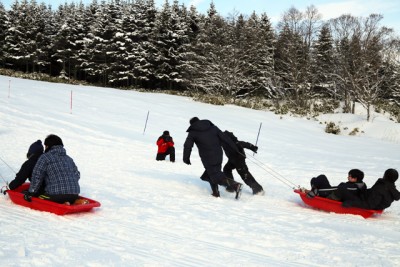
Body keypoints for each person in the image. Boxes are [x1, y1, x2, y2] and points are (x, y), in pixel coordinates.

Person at [183, 117, 243, 198]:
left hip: (207, 157)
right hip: (218, 154)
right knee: (209, 174)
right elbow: (226, 139)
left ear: (192, 124)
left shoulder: (193, 132)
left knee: (215, 175)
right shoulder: (213, 128)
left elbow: (187, 146)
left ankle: (235, 185)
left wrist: (186, 158)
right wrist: (236, 149)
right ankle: (215, 193)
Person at [24, 134, 80, 204]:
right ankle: (70, 201)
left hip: (55, 196)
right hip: (74, 195)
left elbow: (37, 176)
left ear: (47, 146)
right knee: (64, 196)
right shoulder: (69, 159)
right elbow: (77, 175)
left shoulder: (44, 157)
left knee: (39, 196)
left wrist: (31, 192)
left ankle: (62, 202)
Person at [221, 130, 264, 195]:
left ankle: (258, 189)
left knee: (244, 175)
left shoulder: (235, 143)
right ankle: (231, 186)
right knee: (226, 169)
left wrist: (253, 147)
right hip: (232, 160)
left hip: (239, 161)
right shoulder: (225, 143)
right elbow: (246, 144)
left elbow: (245, 144)